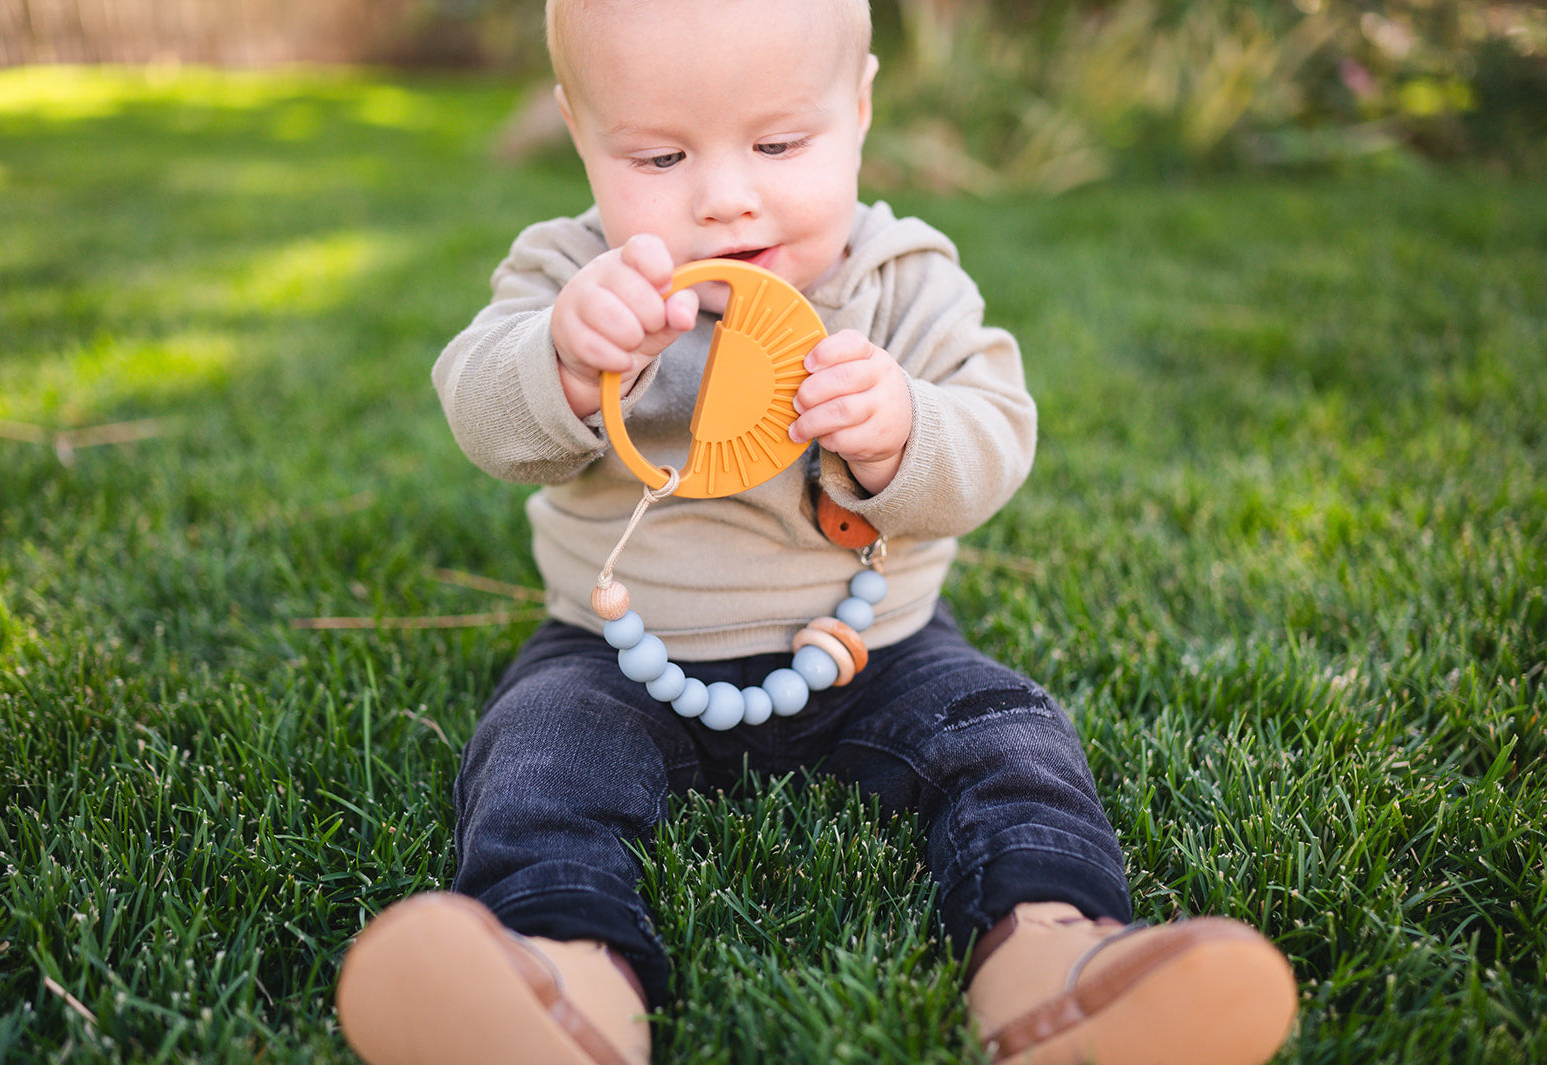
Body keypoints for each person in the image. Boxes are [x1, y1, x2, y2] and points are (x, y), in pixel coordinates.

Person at [334, 2, 1299, 1063]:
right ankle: (558, 980)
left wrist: (900, 434)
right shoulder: (573, 280)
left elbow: (995, 438)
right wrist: (561, 362)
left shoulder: (903, 279)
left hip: (875, 647)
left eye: (779, 145)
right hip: (616, 653)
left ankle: (1055, 959)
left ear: (861, 108)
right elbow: (478, 407)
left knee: (1009, 739)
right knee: (539, 764)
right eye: (658, 155)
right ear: (579, 132)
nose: (726, 198)